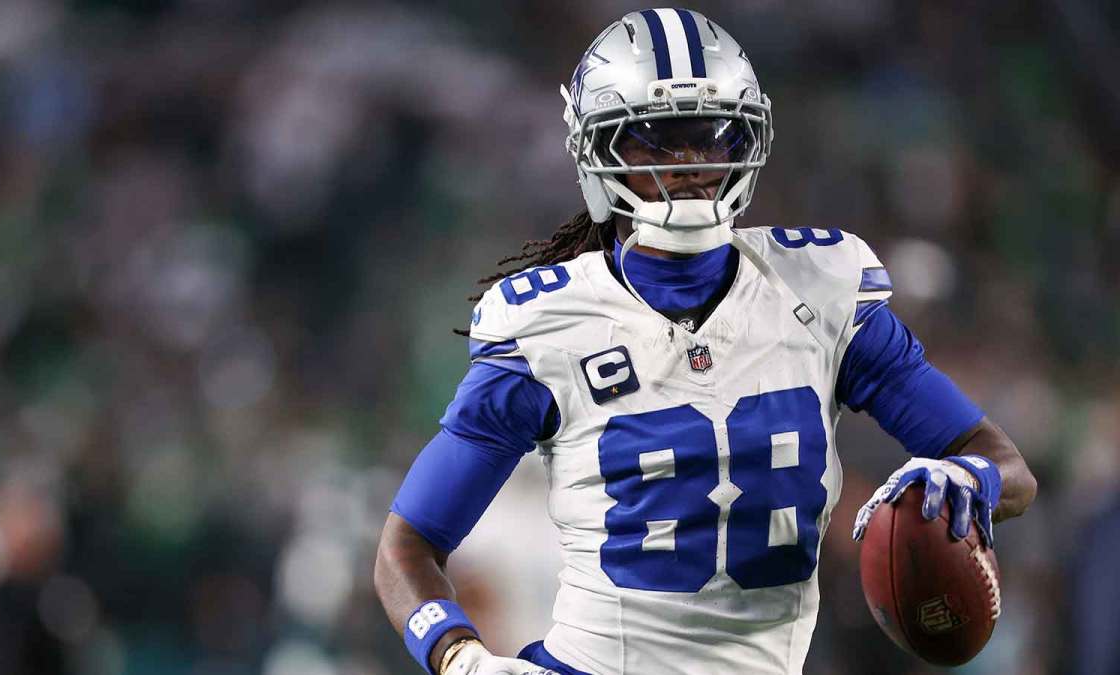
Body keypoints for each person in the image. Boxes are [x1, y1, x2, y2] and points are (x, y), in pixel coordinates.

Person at [374, 8, 1037, 675]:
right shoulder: (545, 324)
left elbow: (1005, 465)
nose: (687, 164)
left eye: (708, 136)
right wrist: (459, 655)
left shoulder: (821, 289)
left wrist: (967, 475)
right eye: (655, 142)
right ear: (598, 153)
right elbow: (408, 546)